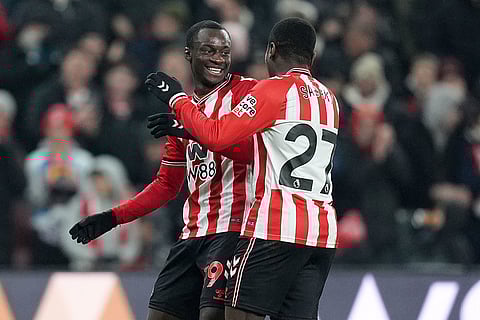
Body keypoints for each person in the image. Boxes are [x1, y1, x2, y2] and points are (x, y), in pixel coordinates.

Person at [144, 17, 338, 319]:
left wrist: (178, 100)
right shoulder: (329, 100)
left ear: (271, 50)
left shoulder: (272, 90)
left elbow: (218, 135)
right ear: (311, 57)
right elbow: (254, 148)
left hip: (275, 228)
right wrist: (190, 131)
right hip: (321, 234)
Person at [69, 20, 257, 320]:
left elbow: (252, 152)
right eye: (208, 50)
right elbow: (167, 185)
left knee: (213, 316)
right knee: (159, 316)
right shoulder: (180, 112)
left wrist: (189, 127)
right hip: (193, 234)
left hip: (235, 230)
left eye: (225, 51)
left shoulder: (247, 93)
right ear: (189, 54)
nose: (218, 59)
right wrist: (114, 217)